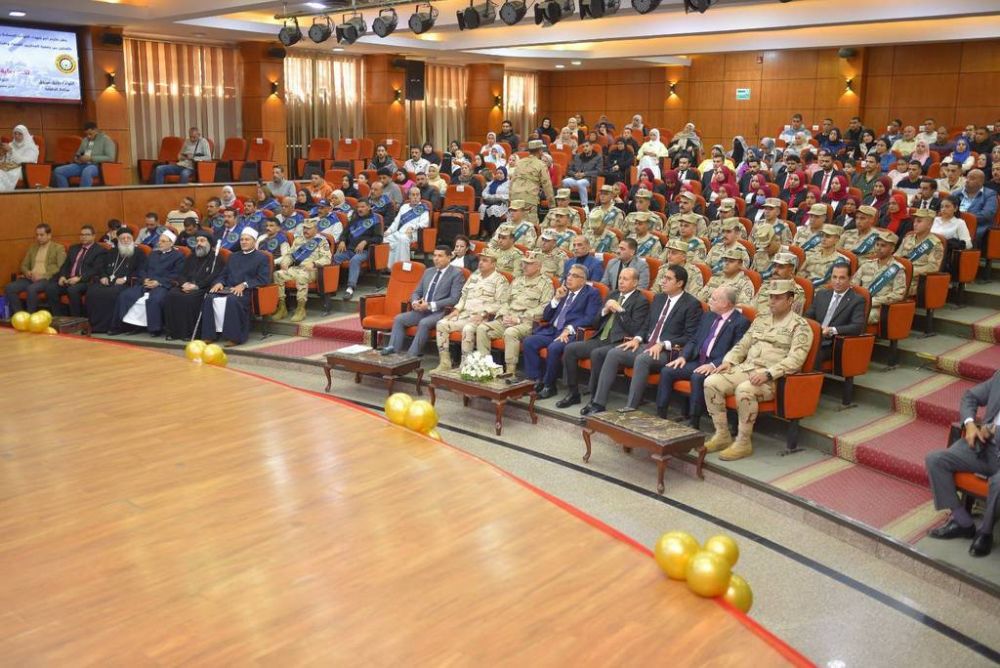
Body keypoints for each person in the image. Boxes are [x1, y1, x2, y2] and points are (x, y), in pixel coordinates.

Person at [703, 279, 814, 461]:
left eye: (778, 298)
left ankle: (743, 442)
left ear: (790, 300)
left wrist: (768, 374)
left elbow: (795, 360)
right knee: (711, 382)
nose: (772, 301)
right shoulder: (761, 319)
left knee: (745, 389)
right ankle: (722, 434)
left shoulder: (800, 326)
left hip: (774, 378)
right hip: (747, 368)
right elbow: (743, 344)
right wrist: (729, 361)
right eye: (771, 297)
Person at [582, 265, 701, 415]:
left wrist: (663, 344)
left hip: (668, 351)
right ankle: (598, 403)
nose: (663, 281)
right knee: (614, 353)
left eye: (668, 278)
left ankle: (631, 408)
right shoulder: (659, 298)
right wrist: (637, 339)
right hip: (646, 345)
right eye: (663, 277)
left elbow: (690, 337)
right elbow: (646, 325)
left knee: (642, 359)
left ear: (680, 283)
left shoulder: (691, 304)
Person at [924, 370, 1000, 557]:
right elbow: (970, 396)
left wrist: (993, 430)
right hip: (985, 448)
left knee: (998, 483)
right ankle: (962, 522)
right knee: (935, 460)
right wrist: (970, 424)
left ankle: (985, 533)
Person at [556, 268, 649, 410]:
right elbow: (595, 323)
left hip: (619, 342)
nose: (621, 281)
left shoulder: (641, 300)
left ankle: (595, 399)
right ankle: (573, 392)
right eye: (620, 278)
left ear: (635, 282)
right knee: (570, 349)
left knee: (597, 354)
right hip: (601, 337)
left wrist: (620, 310)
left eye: (625, 279)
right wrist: (605, 311)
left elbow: (634, 329)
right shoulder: (613, 294)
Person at [657, 286, 750, 424]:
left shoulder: (740, 322)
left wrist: (713, 365)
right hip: (698, 360)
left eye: (713, 299)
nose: (709, 301)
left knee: (697, 377)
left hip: (718, 365)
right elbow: (694, 340)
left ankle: (694, 421)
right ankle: (660, 414)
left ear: (725, 304)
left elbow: (736, 351)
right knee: (667, 370)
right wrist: (683, 357)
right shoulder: (708, 316)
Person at [522, 264, 602, 398]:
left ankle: (549, 385)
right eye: (568, 275)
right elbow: (546, 316)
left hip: (570, 334)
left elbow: (590, 318)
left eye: (574, 276)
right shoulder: (563, 291)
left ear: (583, 280)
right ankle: (535, 380)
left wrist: (569, 328)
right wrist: (556, 299)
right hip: (552, 330)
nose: (569, 278)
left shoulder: (592, 293)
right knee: (529, 341)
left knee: (554, 348)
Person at [473, 252, 553, 375]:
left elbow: (544, 308)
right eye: (524, 263)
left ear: (539, 266)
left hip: (527, 323)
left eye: (529, 264)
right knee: (482, 328)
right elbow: (505, 301)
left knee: (510, 332)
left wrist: (519, 319)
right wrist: (504, 315)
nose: (524, 266)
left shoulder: (546, 283)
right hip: (507, 319)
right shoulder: (517, 280)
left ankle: (510, 371)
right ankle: (484, 367)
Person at [433, 249, 510, 371]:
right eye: (480, 260)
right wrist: (457, 309)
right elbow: (463, 296)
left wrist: (484, 314)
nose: (481, 263)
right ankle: (445, 363)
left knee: (468, 328)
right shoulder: (474, 277)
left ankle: (465, 365)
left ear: (493, 264)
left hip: (483, 318)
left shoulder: (500, 280)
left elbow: (501, 303)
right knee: (442, 324)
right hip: (465, 315)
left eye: (485, 260)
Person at [380, 247, 465, 357]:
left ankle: (411, 356)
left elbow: (454, 298)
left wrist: (429, 305)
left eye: (440, 256)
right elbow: (416, 292)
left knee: (424, 323)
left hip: (440, 312)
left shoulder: (456, 274)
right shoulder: (428, 272)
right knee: (399, 319)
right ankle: (392, 349)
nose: (436, 259)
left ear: (449, 257)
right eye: (434, 255)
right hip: (422, 310)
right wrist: (415, 302)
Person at [201, 227, 270, 346]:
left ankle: (234, 337)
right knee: (210, 297)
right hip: (228, 288)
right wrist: (219, 282)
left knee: (232, 300)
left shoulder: (261, 257)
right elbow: (224, 274)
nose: (243, 242)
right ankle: (209, 335)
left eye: (247, 239)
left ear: (254, 241)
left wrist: (244, 284)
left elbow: (263, 279)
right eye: (242, 239)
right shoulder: (233, 256)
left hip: (246, 292)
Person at [111, 229, 184, 336]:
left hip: (162, 285)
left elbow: (176, 274)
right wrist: (144, 279)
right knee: (125, 295)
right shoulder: (153, 254)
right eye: (159, 240)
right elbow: (142, 269)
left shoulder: (178, 256)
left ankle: (154, 329)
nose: (159, 243)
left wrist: (158, 282)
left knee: (154, 300)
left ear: (171, 243)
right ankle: (126, 326)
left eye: (163, 241)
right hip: (146, 283)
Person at [162, 231, 226, 340]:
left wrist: (196, 286)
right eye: (197, 241)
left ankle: (190, 333)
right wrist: (184, 283)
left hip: (203, 288)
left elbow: (213, 277)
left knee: (190, 299)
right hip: (187, 286)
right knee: (171, 295)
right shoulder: (191, 256)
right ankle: (173, 332)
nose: (199, 243)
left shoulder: (216, 258)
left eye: (202, 241)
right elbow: (181, 274)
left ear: (209, 243)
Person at [805, 263, 866, 370]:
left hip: (832, 343)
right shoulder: (821, 294)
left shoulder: (857, 300)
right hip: (813, 337)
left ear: (850, 279)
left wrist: (831, 330)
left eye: (842, 278)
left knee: (812, 353)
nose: (837, 281)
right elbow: (808, 316)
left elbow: (857, 327)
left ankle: (811, 380)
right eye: (834, 277)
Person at [272, 219, 332, 322]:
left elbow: (327, 259)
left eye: (308, 228)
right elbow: (290, 255)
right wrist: (286, 261)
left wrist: (314, 263)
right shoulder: (298, 239)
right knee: (277, 274)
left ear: (315, 229)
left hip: (312, 270)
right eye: (304, 228)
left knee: (301, 276)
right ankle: (282, 307)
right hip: (296, 268)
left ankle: (301, 309)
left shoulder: (322, 241)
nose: (305, 230)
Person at [44, 225, 105, 317]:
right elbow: (66, 265)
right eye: (82, 234)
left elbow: (96, 269)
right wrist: (62, 276)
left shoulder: (99, 250)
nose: (83, 237)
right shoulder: (74, 248)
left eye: (87, 234)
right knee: (51, 288)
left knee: (72, 290)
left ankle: (77, 319)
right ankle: (59, 317)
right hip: (69, 280)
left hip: (86, 281)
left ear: (93, 236)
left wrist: (79, 278)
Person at [5, 223, 66, 313]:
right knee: (9, 287)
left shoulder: (58, 248)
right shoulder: (33, 247)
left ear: (49, 235)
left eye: (41, 235)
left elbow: (61, 267)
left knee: (31, 289)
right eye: (37, 235)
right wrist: (27, 272)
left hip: (47, 279)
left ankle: (32, 316)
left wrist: (42, 276)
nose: (38, 237)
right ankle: (20, 315)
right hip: (30, 278)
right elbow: (24, 265)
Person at [851, 229, 907, 325]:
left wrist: (873, 301)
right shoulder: (866, 265)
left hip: (878, 308)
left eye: (883, 246)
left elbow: (898, 294)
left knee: (858, 317)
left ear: (892, 249)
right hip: (860, 303)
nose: (878, 248)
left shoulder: (897, 269)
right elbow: (853, 285)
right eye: (877, 245)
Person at [332, 199, 382, 300]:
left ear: (369, 207)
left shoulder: (375, 220)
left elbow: (378, 238)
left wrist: (365, 242)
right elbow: (344, 234)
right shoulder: (354, 219)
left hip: (365, 251)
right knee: (336, 257)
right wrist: (342, 241)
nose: (360, 209)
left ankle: (350, 288)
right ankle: (333, 286)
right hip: (349, 250)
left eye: (362, 207)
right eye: (358, 207)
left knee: (355, 260)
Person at [52, 121, 116, 188]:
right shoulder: (85, 140)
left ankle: (82, 194)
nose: (88, 136)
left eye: (90, 134)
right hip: (82, 164)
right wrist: (77, 159)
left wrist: (91, 158)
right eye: (86, 134)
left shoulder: (106, 140)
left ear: (96, 130)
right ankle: (66, 193)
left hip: (96, 166)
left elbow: (111, 158)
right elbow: (78, 154)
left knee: (87, 171)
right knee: (58, 171)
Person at [896, 210, 944, 296]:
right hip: (899, 276)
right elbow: (896, 256)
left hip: (915, 282)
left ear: (929, 225)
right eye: (914, 221)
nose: (915, 224)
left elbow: (933, 267)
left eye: (919, 221)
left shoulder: (934, 244)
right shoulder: (908, 238)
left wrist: (910, 271)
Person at [383, 187, 429, 266]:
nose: (415, 197)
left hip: (413, 234)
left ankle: (404, 266)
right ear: (409, 196)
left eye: (417, 195)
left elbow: (425, 223)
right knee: (385, 239)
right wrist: (388, 231)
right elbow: (396, 222)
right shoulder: (404, 207)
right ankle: (390, 267)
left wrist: (413, 227)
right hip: (399, 233)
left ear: (420, 196)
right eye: (413, 195)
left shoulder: (423, 208)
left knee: (403, 239)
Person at [953, 169, 998, 247]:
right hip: (954, 223)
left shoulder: (989, 194)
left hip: (976, 227)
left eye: (972, 178)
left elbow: (987, 214)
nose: (967, 181)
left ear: (981, 182)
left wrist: (966, 219)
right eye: (967, 178)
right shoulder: (956, 193)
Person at [562, 141, 603, 210]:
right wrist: (574, 174)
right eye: (583, 147)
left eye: (587, 146)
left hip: (588, 179)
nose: (585, 148)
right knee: (565, 181)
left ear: (591, 147)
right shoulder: (577, 156)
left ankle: (584, 206)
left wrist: (585, 174)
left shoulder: (598, 157)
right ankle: (565, 203)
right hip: (575, 178)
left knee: (580, 183)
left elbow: (599, 171)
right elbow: (569, 170)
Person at [0, 124, 39, 191]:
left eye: (20, 134)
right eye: (15, 133)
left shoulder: (31, 147)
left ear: (25, 135)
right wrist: (2, 156)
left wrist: (11, 151)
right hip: (8, 167)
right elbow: (6, 160)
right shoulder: (11, 144)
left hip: (22, 170)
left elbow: (27, 161)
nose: (16, 136)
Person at [480, 166, 511, 237]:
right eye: (497, 173)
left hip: (503, 204)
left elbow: (508, 196)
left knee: (493, 208)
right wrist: (493, 197)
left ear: (505, 174)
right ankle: (485, 230)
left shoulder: (508, 183)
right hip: (491, 202)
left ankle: (494, 231)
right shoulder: (491, 183)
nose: (499, 175)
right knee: (482, 207)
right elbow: (484, 193)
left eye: (501, 173)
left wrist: (497, 197)